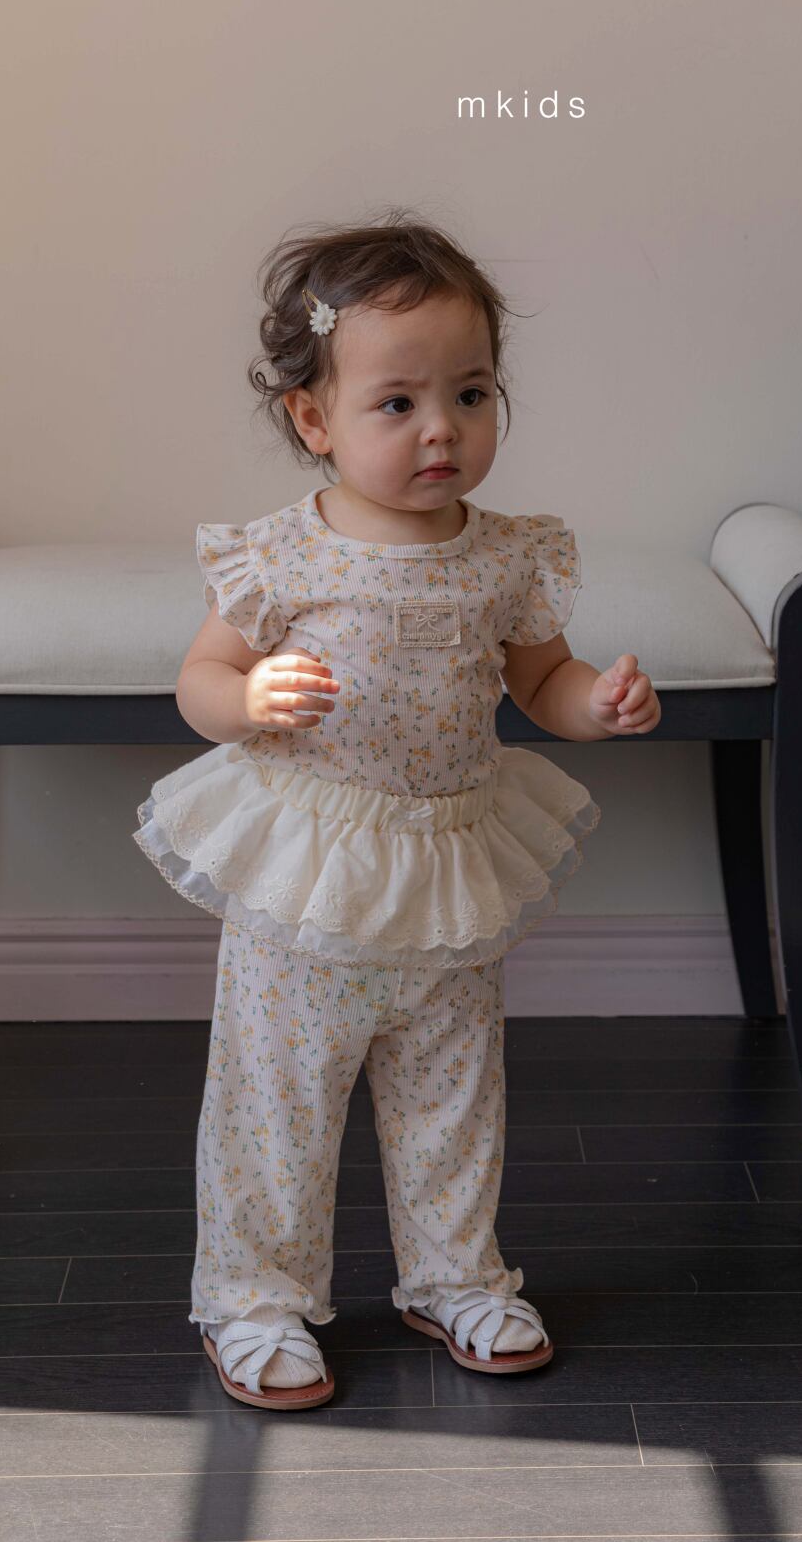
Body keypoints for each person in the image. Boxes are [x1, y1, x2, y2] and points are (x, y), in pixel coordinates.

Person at [132, 208, 662, 1409]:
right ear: (313, 419)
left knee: (453, 1088)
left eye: (470, 394)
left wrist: (596, 703)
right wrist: (246, 696)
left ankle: (456, 1273)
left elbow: (541, 680)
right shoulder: (282, 556)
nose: (442, 429)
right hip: (308, 872)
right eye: (397, 402)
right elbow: (200, 678)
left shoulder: (507, 555)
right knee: (278, 1098)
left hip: (448, 866)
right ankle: (253, 1296)